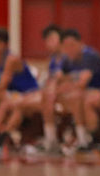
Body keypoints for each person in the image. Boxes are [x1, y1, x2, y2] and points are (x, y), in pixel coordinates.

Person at [56, 29, 100, 151]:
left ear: (81, 43)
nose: (69, 49)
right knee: (55, 96)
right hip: (81, 94)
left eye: (72, 45)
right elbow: (58, 81)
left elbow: (82, 83)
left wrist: (67, 83)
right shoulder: (66, 60)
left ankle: (87, 138)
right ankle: (53, 139)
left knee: (79, 98)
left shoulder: (90, 56)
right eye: (66, 46)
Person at [0, 27, 39, 152]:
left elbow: (2, 85)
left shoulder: (11, 59)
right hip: (13, 95)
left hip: (30, 95)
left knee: (3, 101)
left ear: (3, 44)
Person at [36, 24, 67, 154]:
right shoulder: (52, 59)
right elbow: (47, 80)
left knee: (47, 97)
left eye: (53, 39)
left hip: (65, 95)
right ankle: (50, 139)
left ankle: (52, 139)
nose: (50, 43)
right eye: (47, 41)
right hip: (51, 95)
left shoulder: (68, 57)